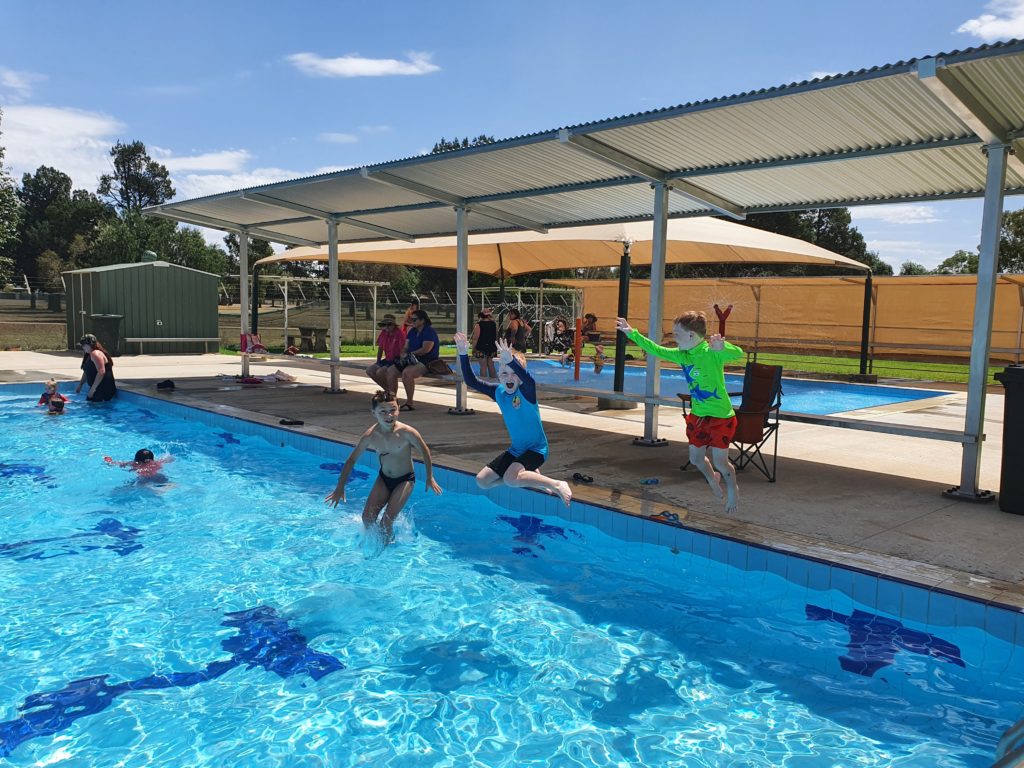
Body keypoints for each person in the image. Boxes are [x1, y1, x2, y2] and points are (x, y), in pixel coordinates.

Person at [616, 312, 744, 514]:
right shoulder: (681, 355)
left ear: (691, 336)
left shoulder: (711, 351)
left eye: (677, 334)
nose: (673, 337)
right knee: (695, 459)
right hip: (699, 416)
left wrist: (723, 347)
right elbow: (655, 349)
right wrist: (632, 333)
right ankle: (712, 478)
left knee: (720, 462)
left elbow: (738, 353)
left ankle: (732, 489)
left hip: (721, 417)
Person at [454, 332, 572, 506]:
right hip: (517, 450)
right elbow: (471, 381)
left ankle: (557, 484)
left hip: (537, 449)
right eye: (504, 373)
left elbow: (528, 379)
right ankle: (531, 477)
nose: (509, 378)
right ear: (498, 374)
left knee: (511, 479)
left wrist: (511, 362)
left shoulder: (526, 391)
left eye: (513, 373)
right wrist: (463, 353)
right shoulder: (498, 392)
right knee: (482, 481)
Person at [324, 390, 441, 543]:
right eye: (383, 412)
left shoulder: (408, 432)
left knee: (386, 522)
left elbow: (425, 452)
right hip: (384, 478)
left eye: (393, 410)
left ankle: (387, 548)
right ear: (374, 413)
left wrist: (429, 477)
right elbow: (351, 460)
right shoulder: (370, 435)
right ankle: (376, 543)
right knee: (367, 519)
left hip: (404, 480)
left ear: (398, 409)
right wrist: (340, 487)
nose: (389, 416)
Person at [386, 309, 441, 411]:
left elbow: (425, 349)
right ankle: (392, 400)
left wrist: (410, 354)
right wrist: (403, 353)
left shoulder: (429, 331)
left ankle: (409, 403)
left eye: (414, 319)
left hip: (427, 361)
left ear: (422, 320)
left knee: (407, 373)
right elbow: (406, 346)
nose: (412, 322)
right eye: (411, 319)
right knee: (390, 371)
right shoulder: (412, 331)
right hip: (411, 359)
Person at [366, 314, 406, 388]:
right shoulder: (384, 333)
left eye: (389, 324)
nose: (386, 326)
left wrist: (401, 364)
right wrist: (378, 361)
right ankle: (388, 391)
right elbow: (380, 348)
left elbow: (403, 350)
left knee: (380, 372)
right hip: (388, 359)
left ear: (394, 325)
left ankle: (392, 394)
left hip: (396, 359)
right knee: (370, 370)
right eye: (384, 324)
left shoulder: (399, 333)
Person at [75, 334, 117, 402]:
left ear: (89, 345)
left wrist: (92, 389)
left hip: (103, 390)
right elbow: (86, 371)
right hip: (97, 389)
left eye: (83, 345)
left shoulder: (96, 353)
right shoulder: (89, 354)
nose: (82, 347)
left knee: (95, 409)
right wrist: (80, 385)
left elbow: (101, 372)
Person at [104, 448, 173, 482]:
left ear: (136, 459)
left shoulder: (134, 464)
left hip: (144, 479)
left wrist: (109, 461)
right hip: (159, 476)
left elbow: (121, 464)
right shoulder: (156, 462)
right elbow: (168, 458)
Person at [470, 308, 498, 378]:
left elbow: (475, 338)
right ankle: (494, 384)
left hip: (481, 348)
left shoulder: (479, 325)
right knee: (491, 366)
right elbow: (495, 336)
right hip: (492, 348)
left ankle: (483, 384)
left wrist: (473, 348)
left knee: (483, 367)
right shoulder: (493, 324)